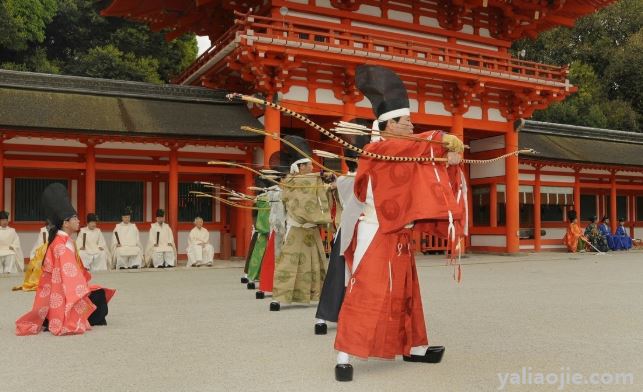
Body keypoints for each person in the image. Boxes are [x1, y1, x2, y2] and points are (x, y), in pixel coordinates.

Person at [333, 65, 466, 382]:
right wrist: (441, 140)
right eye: (405, 122)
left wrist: (447, 160)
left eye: (410, 121)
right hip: (376, 232)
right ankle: (344, 354)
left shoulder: (408, 152)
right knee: (366, 291)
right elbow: (409, 148)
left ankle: (414, 346)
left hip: (400, 235)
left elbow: (421, 163)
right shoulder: (375, 151)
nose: (410, 126)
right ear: (388, 124)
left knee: (407, 292)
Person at [15, 183, 115, 336]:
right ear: (65, 223)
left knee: (98, 295)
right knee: (99, 298)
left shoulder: (64, 241)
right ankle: (57, 317)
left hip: (58, 291)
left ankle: (50, 317)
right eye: (74, 218)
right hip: (61, 294)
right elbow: (71, 278)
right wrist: (83, 289)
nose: (78, 220)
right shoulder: (61, 245)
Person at [270, 135, 333, 315]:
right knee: (289, 264)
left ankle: (316, 295)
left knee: (315, 263)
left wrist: (329, 186)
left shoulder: (310, 182)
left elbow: (315, 190)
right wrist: (323, 177)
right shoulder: (292, 181)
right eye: (308, 166)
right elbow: (306, 188)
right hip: (297, 230)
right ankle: (279, 297)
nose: (312, 168)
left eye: (312, 166)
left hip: (311, 230)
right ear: (299, 167)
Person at [315, 132, 368, 335]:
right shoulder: (359, 179)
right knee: (348, 275)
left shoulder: (343, 180)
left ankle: (324, 317)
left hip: (349, 229)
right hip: (356, 230)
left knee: (338, 276)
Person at [12, 223, 51, 292]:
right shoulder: (43, 231)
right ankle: (37, 281)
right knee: (36, 262)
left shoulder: (59, 230)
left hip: (53, 250)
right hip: (43, 250)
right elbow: (40, 243)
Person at [245, 190, 270, 289]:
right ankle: (252, 277)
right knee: (258, 256)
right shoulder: (262, 200)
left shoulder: (262, 199)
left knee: (259, 256)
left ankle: (255, 277)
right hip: (264, 231)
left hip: (269, 230)